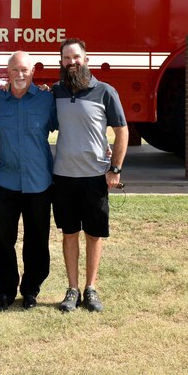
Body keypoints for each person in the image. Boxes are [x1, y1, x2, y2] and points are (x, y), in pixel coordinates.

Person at [52, 38, 128, 312]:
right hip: (63, 176)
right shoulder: (55, 92)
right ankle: (72, 289)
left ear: (86, 59)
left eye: (76, 57)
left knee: (93, 234)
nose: (72, 62)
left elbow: (122, 131)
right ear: (61, 63)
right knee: (69, 233)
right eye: (66, 58)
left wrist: (115, 169)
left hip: (95, 177)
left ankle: (90, 288)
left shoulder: (105, 91)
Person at [0, 51, 57, 311]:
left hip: (39, 183)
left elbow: (74, 126)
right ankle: (4, 292)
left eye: (25, 70)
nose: (20, 75)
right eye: (15, 70)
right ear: (8, 71)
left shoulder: (46, 100)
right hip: (6, 182)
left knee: (37, 239)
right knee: (4, 239)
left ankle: (31, 290)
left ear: (33, 73)